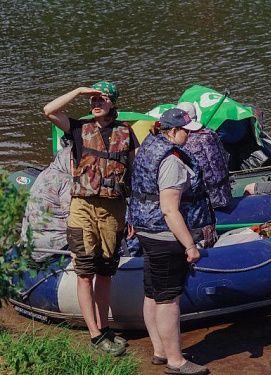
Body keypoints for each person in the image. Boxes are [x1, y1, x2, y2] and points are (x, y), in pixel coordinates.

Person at [43, 80, 138, 356]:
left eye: (101, 99)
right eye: (92, 100)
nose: (96, 104)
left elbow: (132, 175)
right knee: (85, 273)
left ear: (113, 103)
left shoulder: (127, 134)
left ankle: (104, 328)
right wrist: (79, 91)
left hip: (114, 210)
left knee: (105, 272)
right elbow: (48, 110)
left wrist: (131, 212)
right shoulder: (77, 128)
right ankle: (95, 334)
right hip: (82, 208)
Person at [129, 108, 214, 375]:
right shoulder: (172, 161)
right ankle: (176, 361)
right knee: (169, 299)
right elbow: (169, 208)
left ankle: (159, 351)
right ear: (173, 130)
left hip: (145, 229)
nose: (189, 136)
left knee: (153, 293)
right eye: (186, 131)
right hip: (165, 236)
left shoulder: (149, 145)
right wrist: (189, 245)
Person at [21, 142, 72, 262]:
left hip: (29, 245)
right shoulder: (67, 181)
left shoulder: (45, 173)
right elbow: (74, 221)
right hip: (51, 250)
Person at [178, 101, 232, 208]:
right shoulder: (210, 133)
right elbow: (225, 158)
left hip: (207, 200)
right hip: (225, 192)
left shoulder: (185, 141)